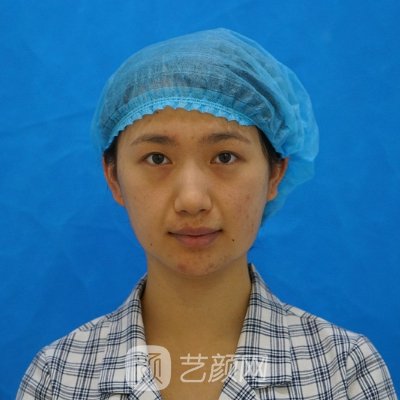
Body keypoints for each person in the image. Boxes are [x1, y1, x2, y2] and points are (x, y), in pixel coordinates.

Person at [17, 28, 396, 399]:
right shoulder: (58, 377)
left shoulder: (344, 370)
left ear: (275, 174)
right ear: (114, 178)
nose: (192, 199)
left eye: (225, 157)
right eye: (157, 158)